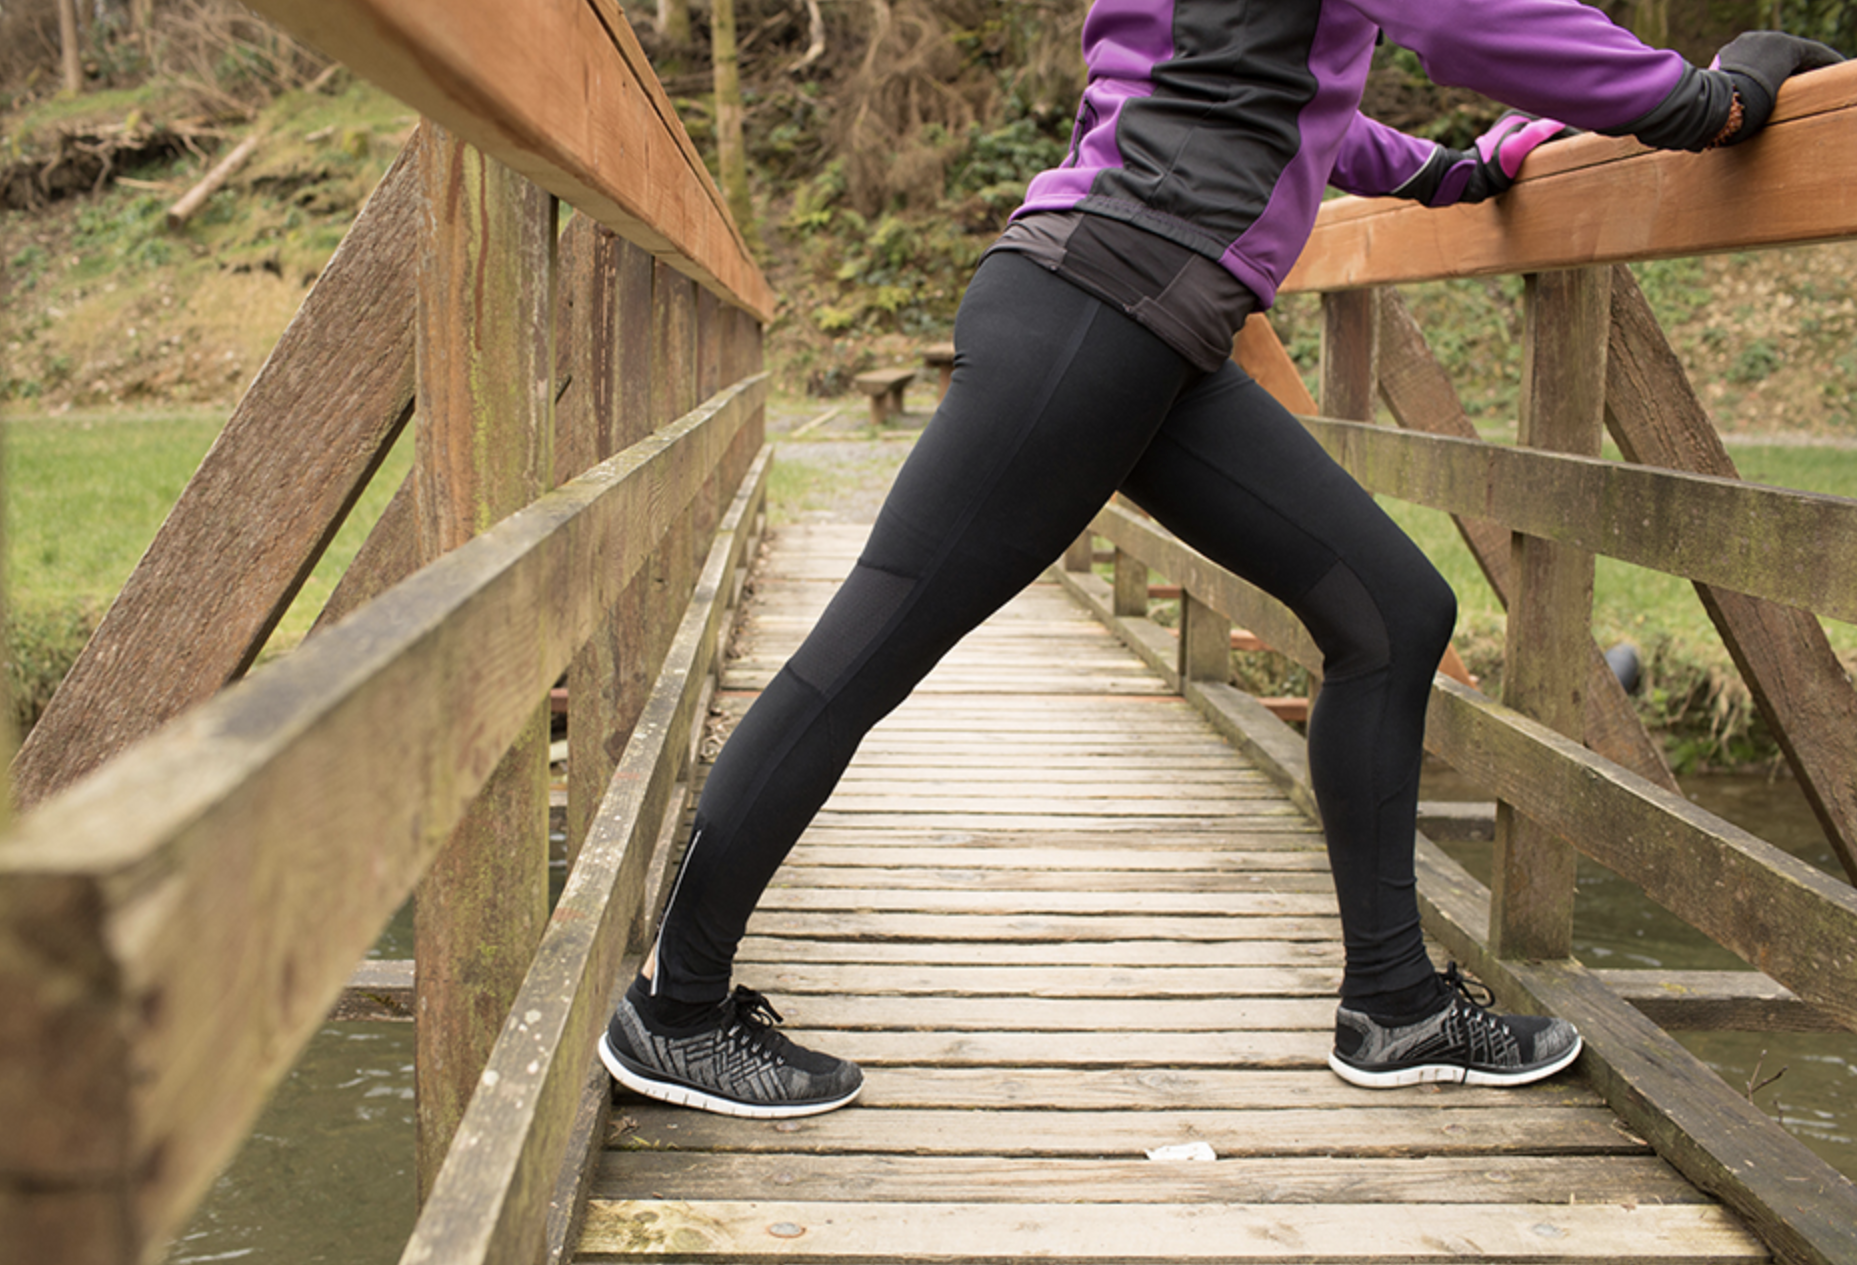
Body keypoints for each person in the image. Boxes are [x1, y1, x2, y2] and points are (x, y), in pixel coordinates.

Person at [597, 0, 1843, 1118]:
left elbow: (1268, 89)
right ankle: (678, 1009)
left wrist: (1446, 171)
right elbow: (1470, 21)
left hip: (1146, 325)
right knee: (865, 651)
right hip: (1104, 312)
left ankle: (1397, 1005)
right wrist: (1704, 100)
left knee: (1393, 610)